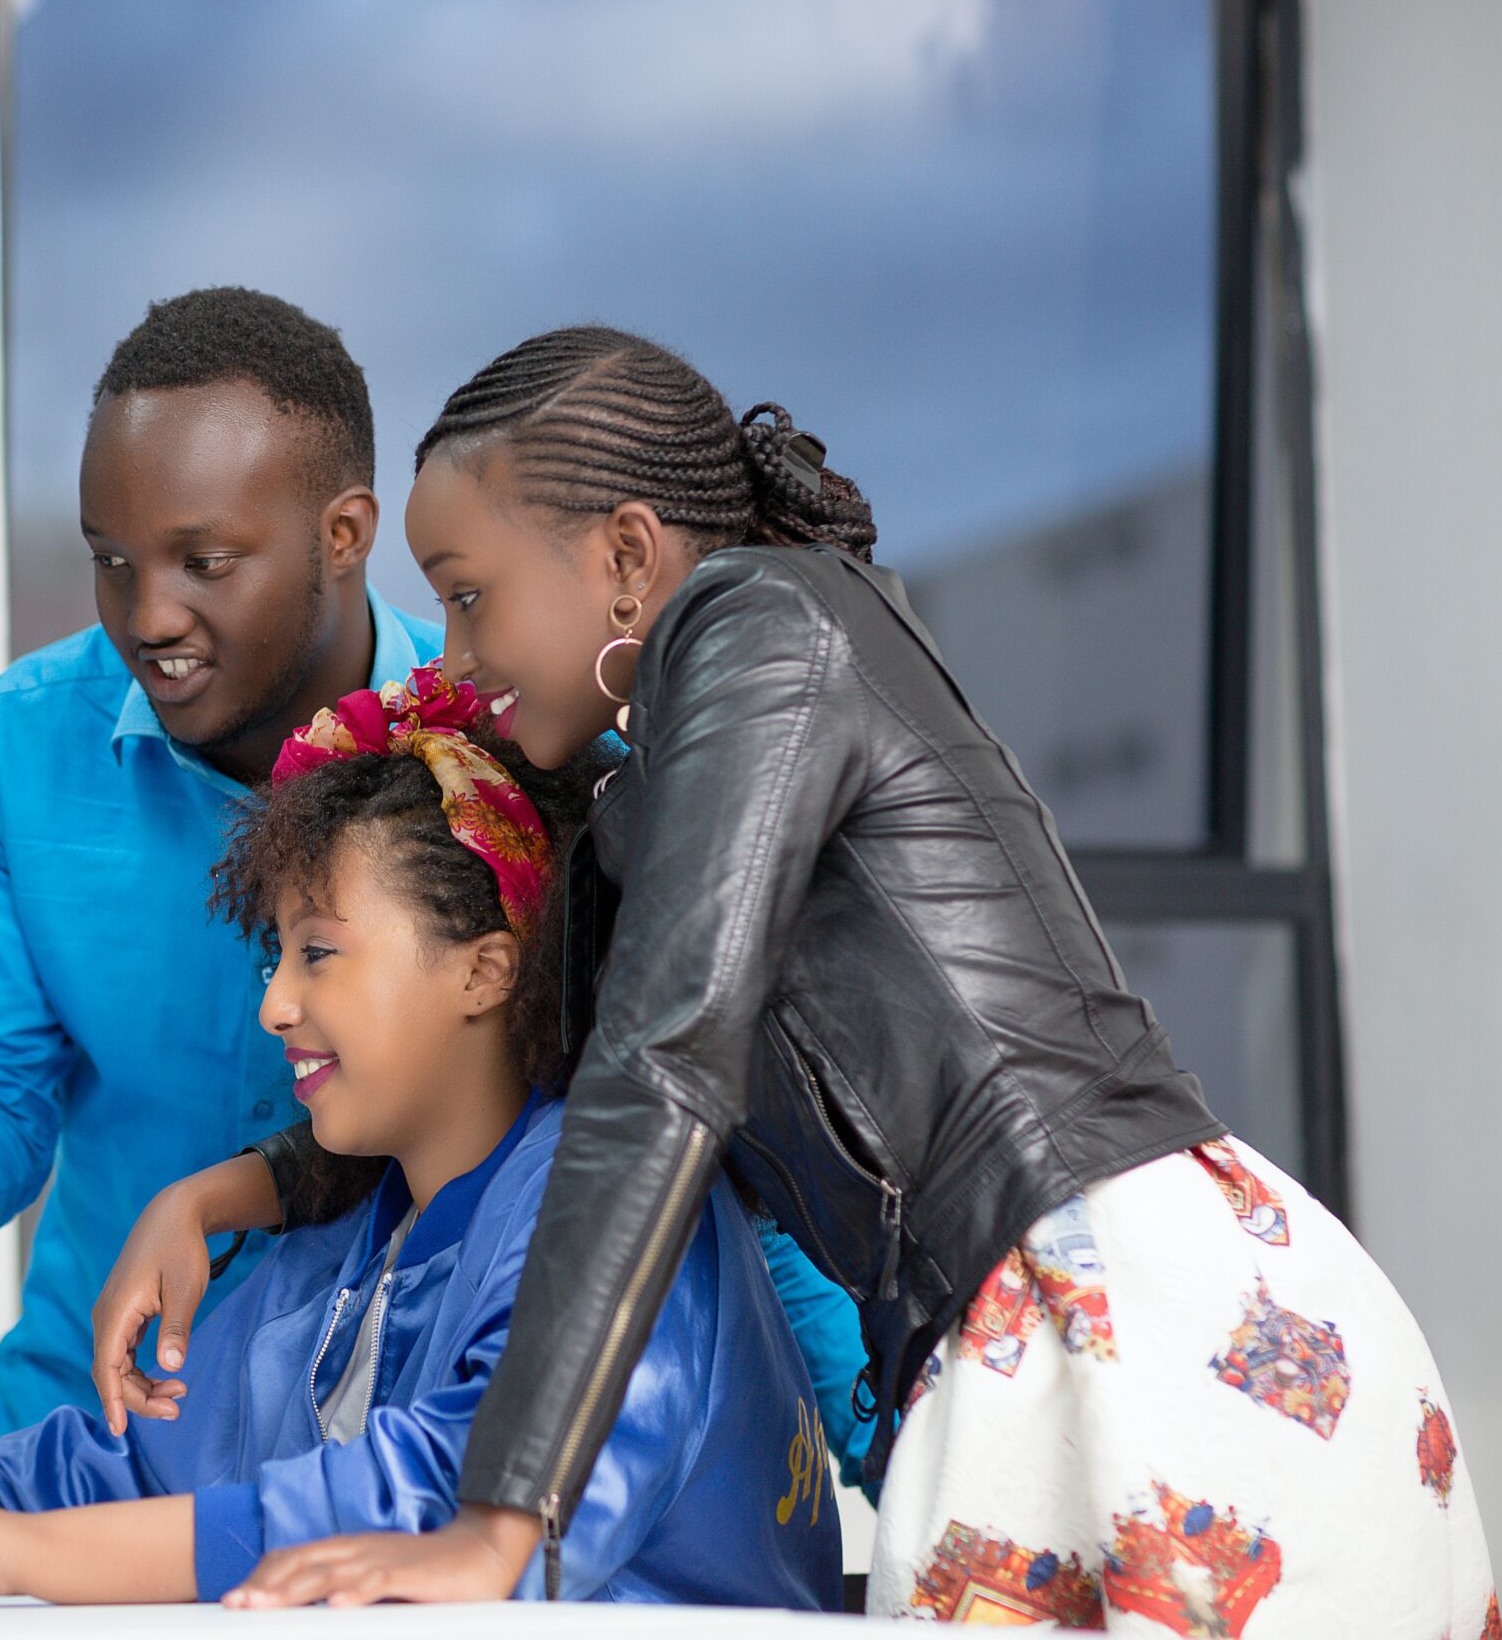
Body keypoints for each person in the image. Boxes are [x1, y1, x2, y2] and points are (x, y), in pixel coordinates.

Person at [106, 327, 1495, 1628]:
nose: (455, 660)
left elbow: (664, 1061)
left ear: (631, 556)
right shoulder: (636, 820)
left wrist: (500, 1517)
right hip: (1008, 1342)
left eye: (470, 597)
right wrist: (224, 1193)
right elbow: (506, 1090)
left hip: (1141, 1314)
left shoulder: (765, 620)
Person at [0, 289, 870, 1460]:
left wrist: (882, 1441)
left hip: (407, 1451)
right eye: (112, 558)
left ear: (343, 534)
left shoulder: (520, 742)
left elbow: (703, 1120)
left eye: (203, 561)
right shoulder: (22, 742)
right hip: (100, 1440)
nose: (145, 613)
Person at [0, 668, 839, 1608]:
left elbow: (443, 1494)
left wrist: (2, 1556)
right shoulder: (339, 1252)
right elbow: (96, 1471)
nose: (274, 1003)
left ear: (488, 968)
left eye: (319, 953)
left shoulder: (611, 1211)